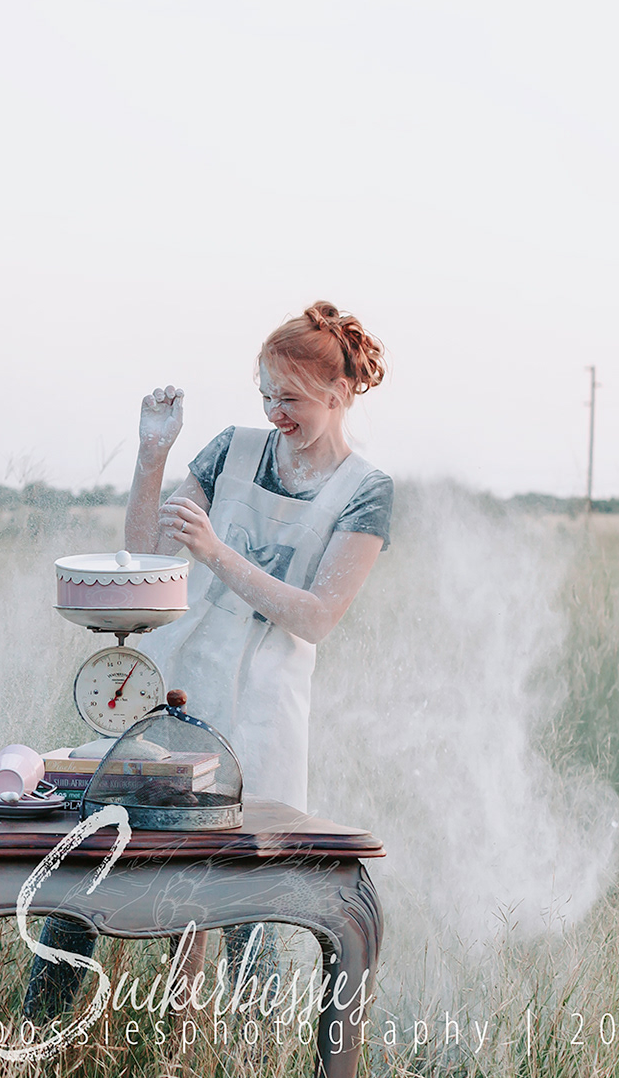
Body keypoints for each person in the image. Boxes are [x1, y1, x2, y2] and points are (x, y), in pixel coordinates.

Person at [25, 302, 394, 1023]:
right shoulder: (232, 451)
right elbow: (144, 560)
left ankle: (240, 1070)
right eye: (265, 394)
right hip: (166, 697)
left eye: (290, 398)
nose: (273, 413)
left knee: (244, 903)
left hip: (260, 719)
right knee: (92, 864)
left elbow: (316, 616)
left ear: (339, 391)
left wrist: (218, 553)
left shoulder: (365, 491)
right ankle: (40, 1042)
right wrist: (151, 457)